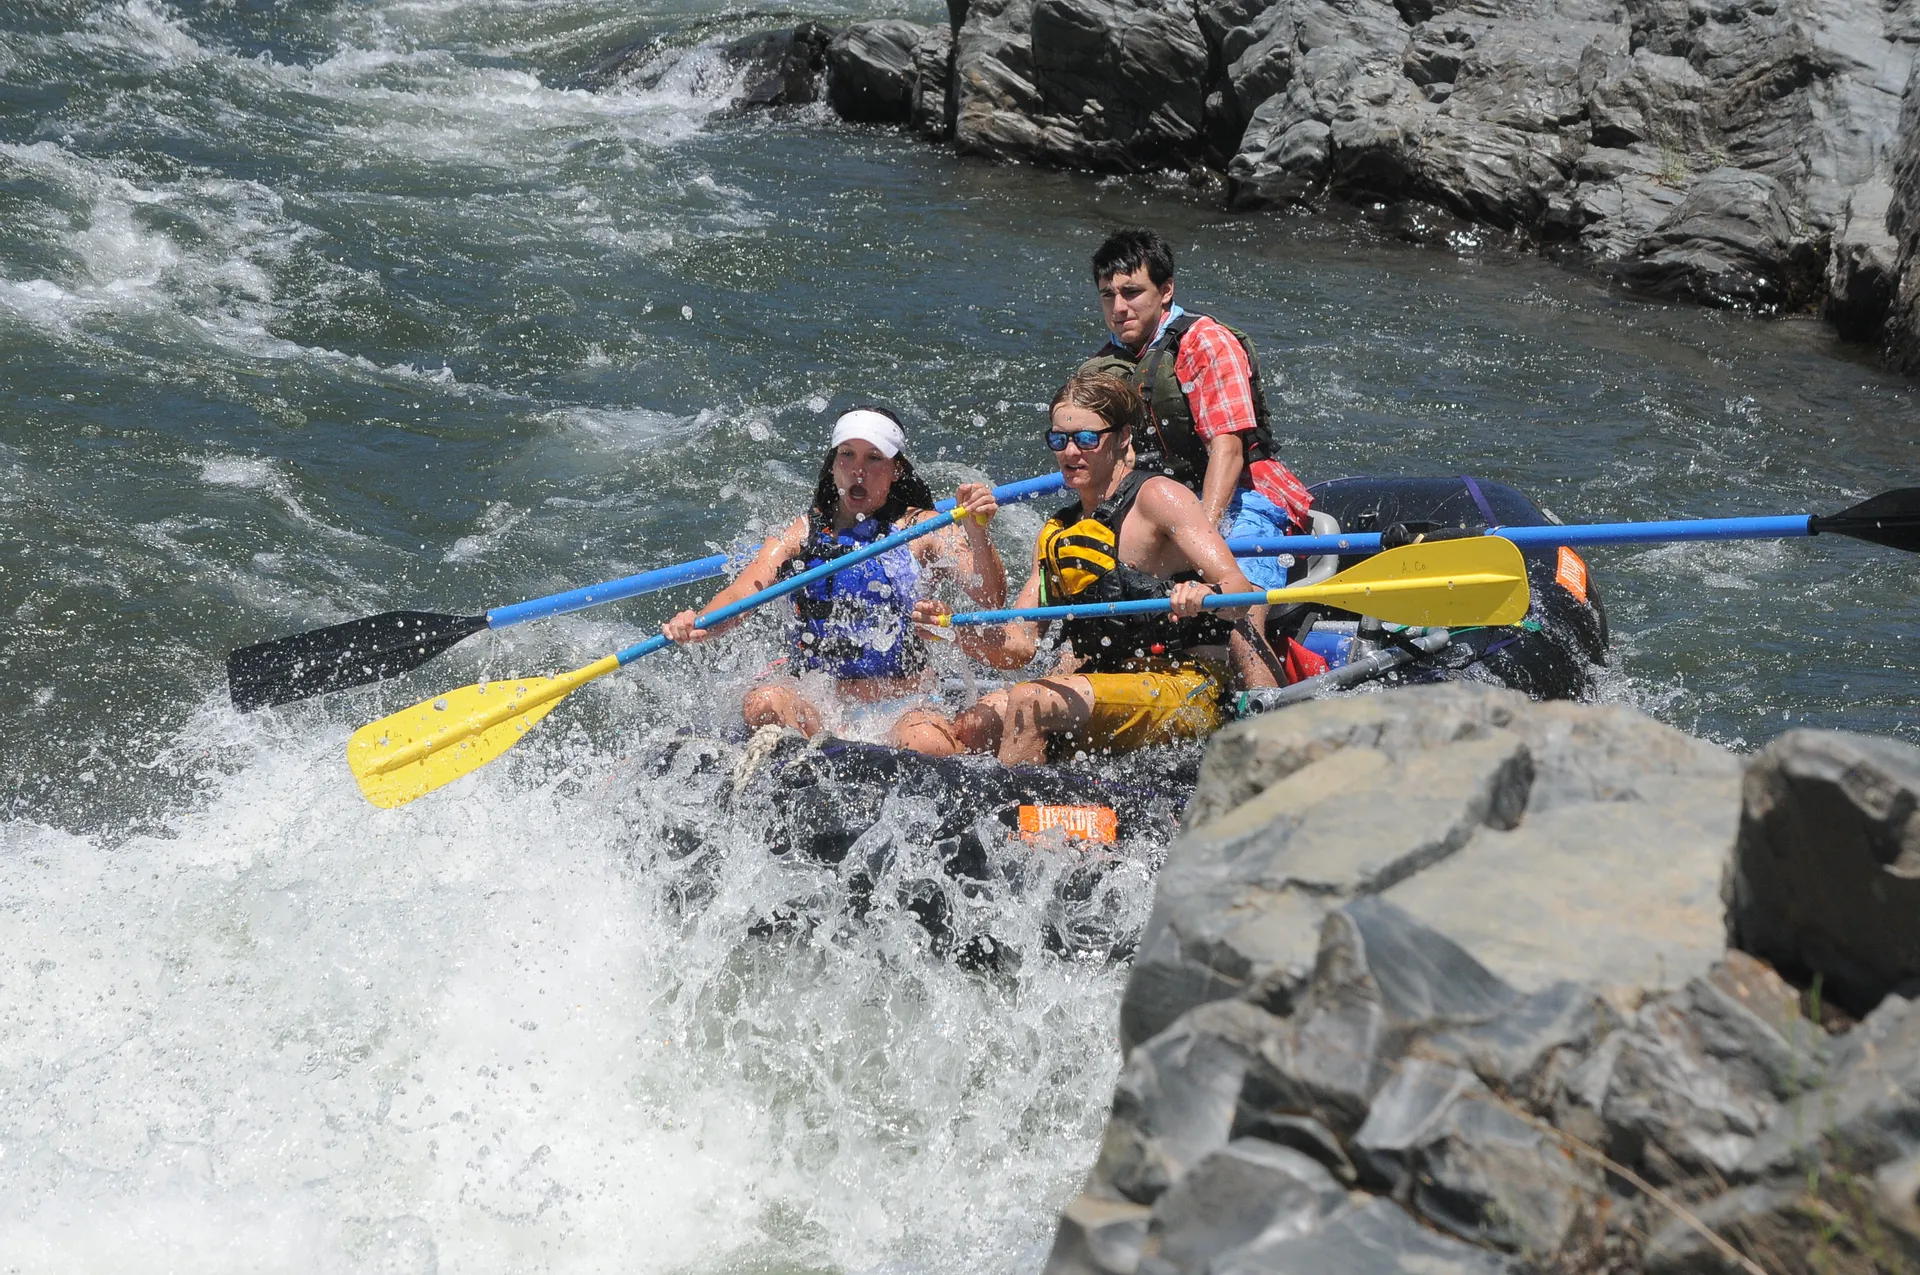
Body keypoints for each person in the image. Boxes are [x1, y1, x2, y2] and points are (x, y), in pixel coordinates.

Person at [917, 371, 1282, 766]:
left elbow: (1240, 592)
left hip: (1186, 685)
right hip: (1105, 679)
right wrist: (951, 630)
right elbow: (1018, 646)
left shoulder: (1158, 497)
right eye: (1060, 439)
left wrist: (1206, 596)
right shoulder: (1058, 531)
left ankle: (1021, 822)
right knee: (976, 723)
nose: (1071, 453)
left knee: (1031, 700)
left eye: (1088, 439)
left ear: (1123, 437)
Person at [663, 406, 1004, 754]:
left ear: (896, 470)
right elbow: (744, 591)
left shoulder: (923, 529)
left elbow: (991, 597)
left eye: (874, 458)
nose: (858, 470)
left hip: (905, 701)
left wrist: (978, 533)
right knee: (764, 702)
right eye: (847, 455)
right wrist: (700, 623)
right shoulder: (802, 532)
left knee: (926, 743)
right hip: (821, 703)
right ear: (833, 465)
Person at [1082, 228, 1313, 590]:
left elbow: (1229, 448)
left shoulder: (1206, 343)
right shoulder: (1102, 366)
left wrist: (1204, 538)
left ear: (1166, 290)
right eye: (1108, 295)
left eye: (1132, 292)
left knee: (1236, 595)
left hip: (1240, 496)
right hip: (1162, 504)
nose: (1119, 308)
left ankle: (1246, 634)